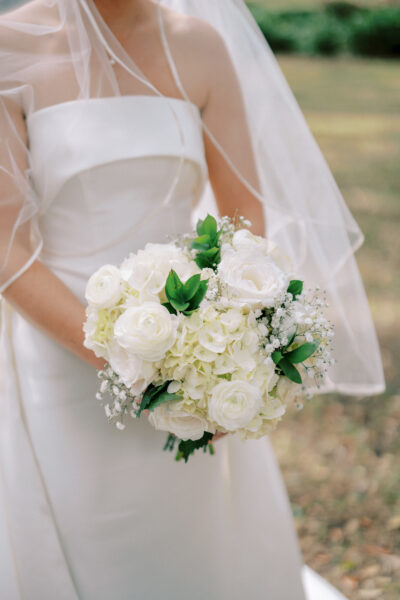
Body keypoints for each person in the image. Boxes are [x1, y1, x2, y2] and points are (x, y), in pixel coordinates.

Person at [0, 1, 384, 598]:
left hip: (195, 353)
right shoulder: (10, 46)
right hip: (61, 359)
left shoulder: (199, 46)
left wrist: (224, 359)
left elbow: (242, 225)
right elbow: (6, 248)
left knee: (189, 543)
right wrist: (133, 363)